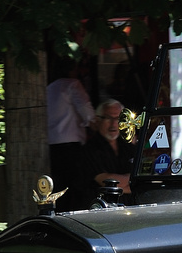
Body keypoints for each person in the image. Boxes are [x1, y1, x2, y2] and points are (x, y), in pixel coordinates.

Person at [46, 64, 95, 211]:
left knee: (59, 189)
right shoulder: (72, 84)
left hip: (53, 145)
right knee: (75, 188)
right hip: (71, 145)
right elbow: (86, 109)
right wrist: (95, 124)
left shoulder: (49, 88)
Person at [82, 99, 134, 196]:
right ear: (98, 120)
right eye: (108, 118)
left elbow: (142, 180)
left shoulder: (128, 147)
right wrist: (132, 181)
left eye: (118, 119)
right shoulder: (89, 149)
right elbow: (108, 182)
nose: (113, 124)